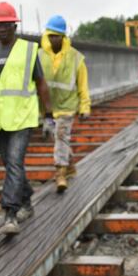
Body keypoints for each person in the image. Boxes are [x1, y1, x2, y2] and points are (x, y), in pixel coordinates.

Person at [0, 1, 53, 235]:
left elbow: (42, 85)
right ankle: (26, 199)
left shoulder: (28, 50)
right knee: (10, 164)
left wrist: (49, 116)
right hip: (0, 119)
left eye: (6, 24)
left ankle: (10, 213)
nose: (1, 28)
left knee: (14, 162)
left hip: (23, 117)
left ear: (14, 25)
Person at [39, 15, 91, 193]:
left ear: (63, 36)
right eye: (51, 35)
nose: (53, 39)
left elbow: (83, 85)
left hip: (67, 106)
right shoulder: (39, 56)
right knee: (59, 138)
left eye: (57, 35)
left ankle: (60, 173)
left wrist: (85, 107)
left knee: (60, 137)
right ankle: (70, 165)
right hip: (48, 108)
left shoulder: (76, 58)